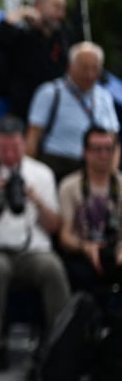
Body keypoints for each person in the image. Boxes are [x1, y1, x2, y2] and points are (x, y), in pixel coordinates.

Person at [0, 115, 70, 370]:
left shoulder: (41, 173)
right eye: (4, 149)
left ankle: (61, 343)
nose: (10, 154)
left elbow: (55, 226)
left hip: (31, 251)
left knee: (52, 267)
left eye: (15, 148)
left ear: (24, 144)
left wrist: (36, 199)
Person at [25, 41, 119, 182]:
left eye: (95, 69)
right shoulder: (50, 93)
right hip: (56, 166)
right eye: (84, 68)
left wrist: (112, 175)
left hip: (92, 169)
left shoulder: (104, 97)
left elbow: (114, 139)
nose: (89, 74)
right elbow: (33, 137)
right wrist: (27, 172)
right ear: (70, 67)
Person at [57, 127, 122, 297]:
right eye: (97, 149)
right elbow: (65, 235)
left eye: (109, 149)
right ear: (85, 152)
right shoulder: (69, 186)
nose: (104, 155)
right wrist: (84, 247)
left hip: (116, 252)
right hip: (81, 255)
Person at [0, 0, 70, 121]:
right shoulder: (22, 35)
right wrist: (21, 13)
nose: (61, 14)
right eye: (56, 7)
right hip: (24, 108)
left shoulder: (62, 37)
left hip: (54, 109)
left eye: (62, 8)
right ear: (39, 6)